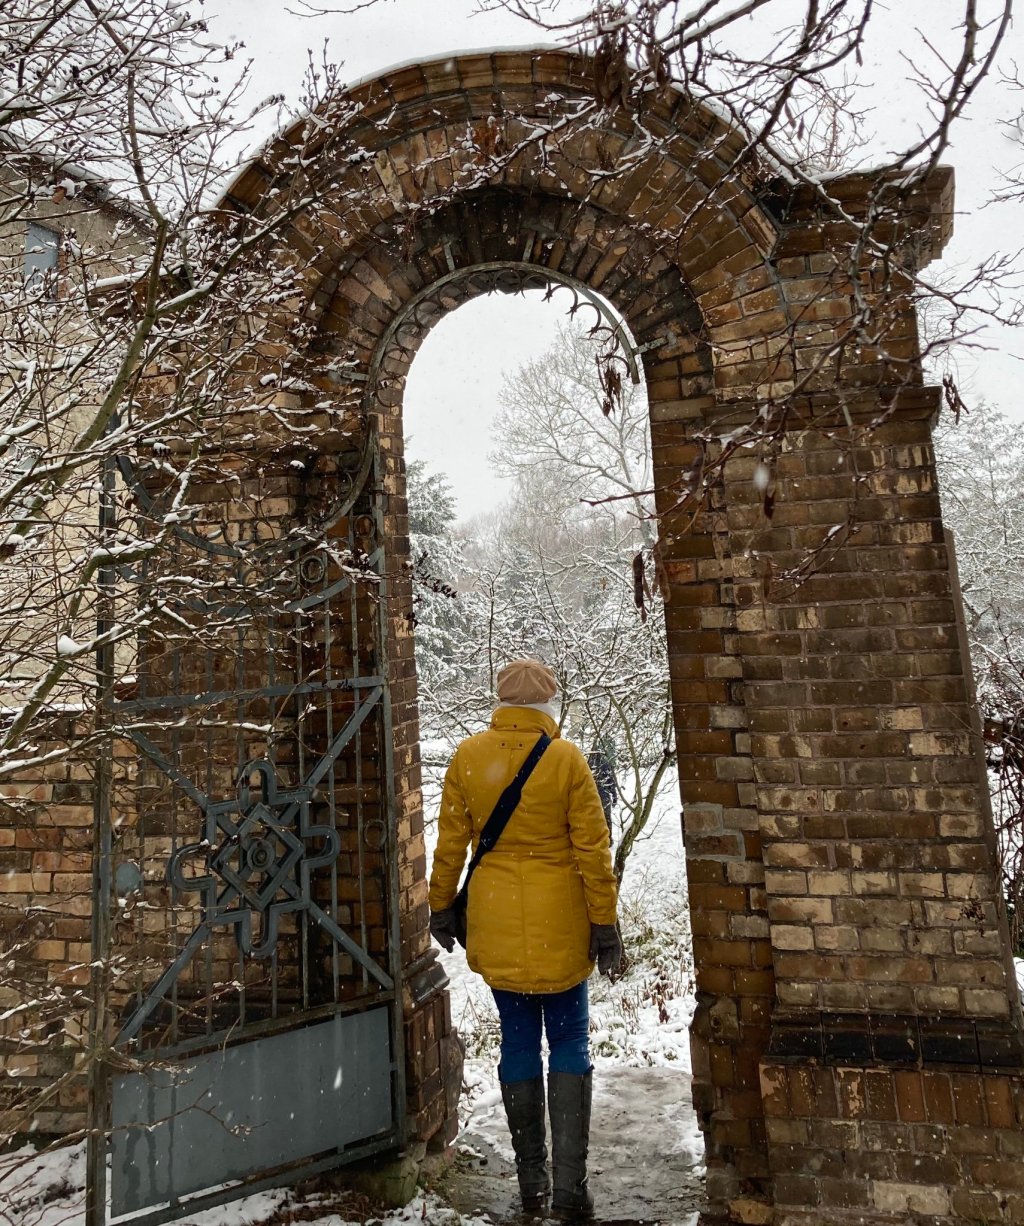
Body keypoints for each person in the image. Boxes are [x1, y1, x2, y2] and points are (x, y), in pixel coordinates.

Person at [428, 658, 622, 1221]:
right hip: (560, 924)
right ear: (548, 706)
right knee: (568, 1041)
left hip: (497, 925)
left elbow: (450, 846)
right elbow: (593, 849)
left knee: (517, 1043)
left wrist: (441, 905)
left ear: (501, 704)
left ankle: (531, 1184)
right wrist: (603, 923)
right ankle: (569, 1190)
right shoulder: (565, 759)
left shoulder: (468, 757)